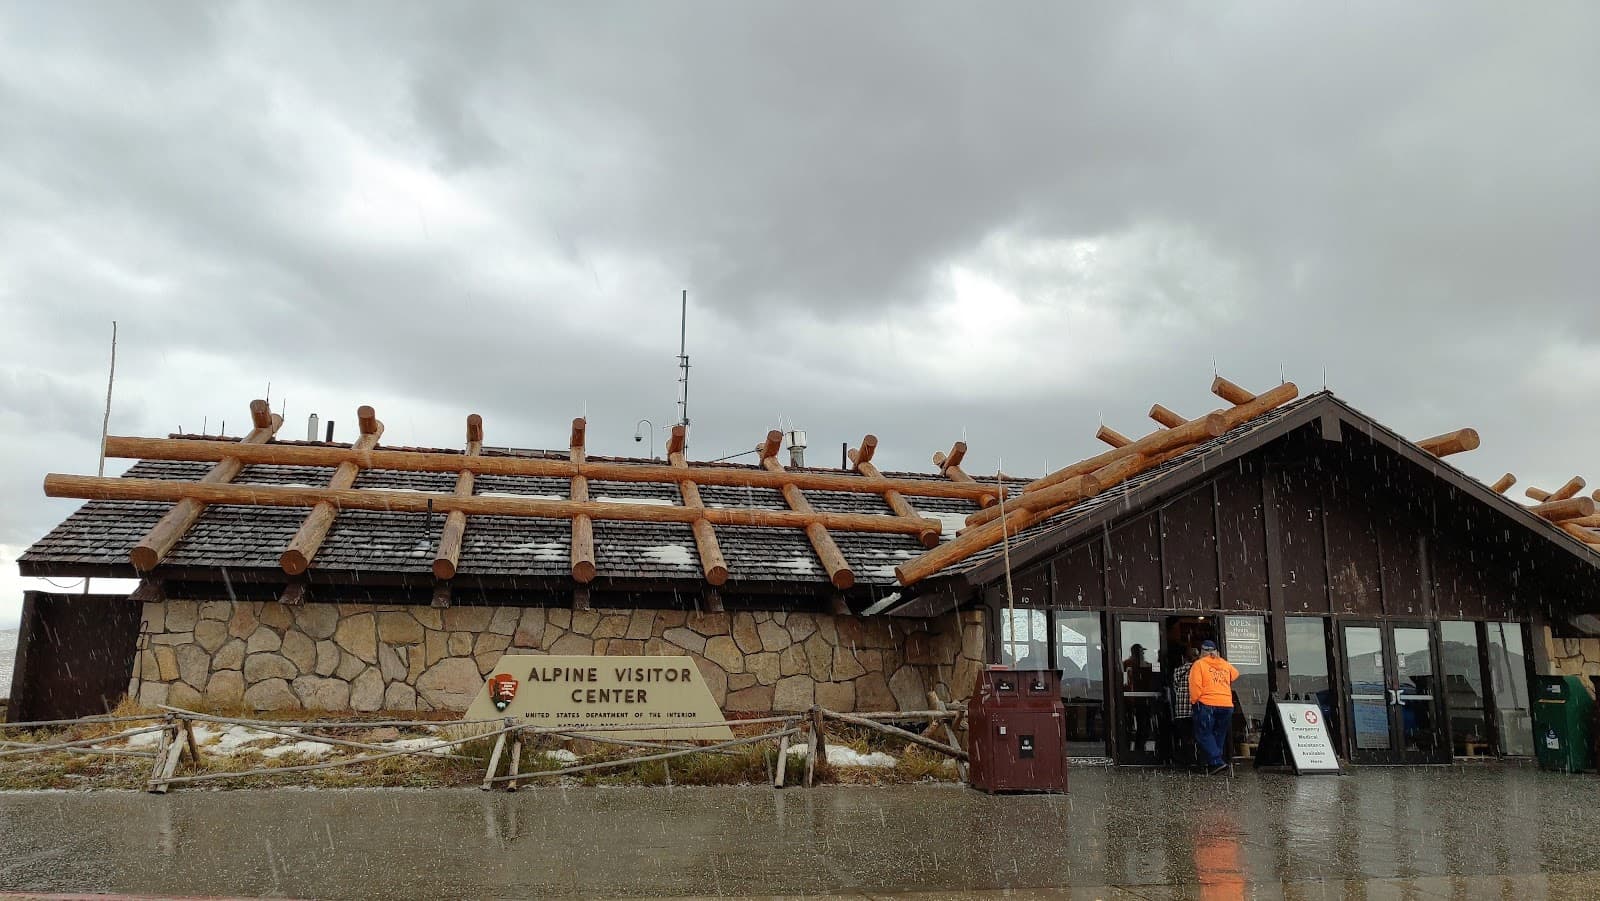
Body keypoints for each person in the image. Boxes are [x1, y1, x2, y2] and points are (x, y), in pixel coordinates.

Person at [1189, 639, 1240, 775]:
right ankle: (1214, 764)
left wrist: (1194, 701)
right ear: (1215, 651)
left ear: (1201, 652)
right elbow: (1235, 674)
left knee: (1203, 734)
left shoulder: (1198, 664)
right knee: (1219, 733)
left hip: (1207, 703)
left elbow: (1195, 687)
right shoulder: (1224, 664)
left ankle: (1217, 761)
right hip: (1226, 704)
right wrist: (1219, 663)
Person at [1170, 646, 1201, 767]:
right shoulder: (1199, 670)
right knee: (1197, 736)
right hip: (1195, 708)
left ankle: (1188, 760)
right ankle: (1198, 759)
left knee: (1185, 737)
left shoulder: (1178, 671)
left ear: (1184, 658)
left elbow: (1175, 688)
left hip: (1181, 710)